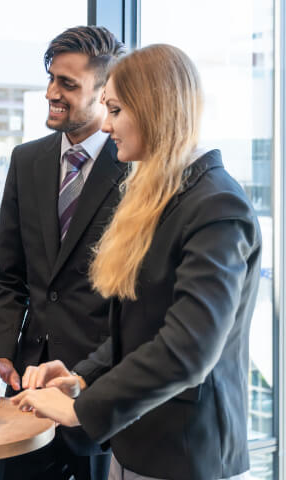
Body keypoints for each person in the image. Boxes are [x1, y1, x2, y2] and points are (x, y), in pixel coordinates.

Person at [14, 44, 261, 480]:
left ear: (153, 109)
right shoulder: (165, 197)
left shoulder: (217, 206)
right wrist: (83, 377)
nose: (106, 124)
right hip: (136, 445)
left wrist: (80, 409)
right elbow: (143, 326)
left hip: (186, 456)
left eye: (115, 109)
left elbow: (188, 350)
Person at [0, 26, 126, 480]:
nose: (50, 93)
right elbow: (7, 274)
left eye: (68, 84)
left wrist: (84, 378)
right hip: (25, 391)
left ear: (104, 93)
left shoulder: (133, 170)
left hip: (94, 394)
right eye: (51, 79)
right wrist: (2, 352)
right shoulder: (26, 160)